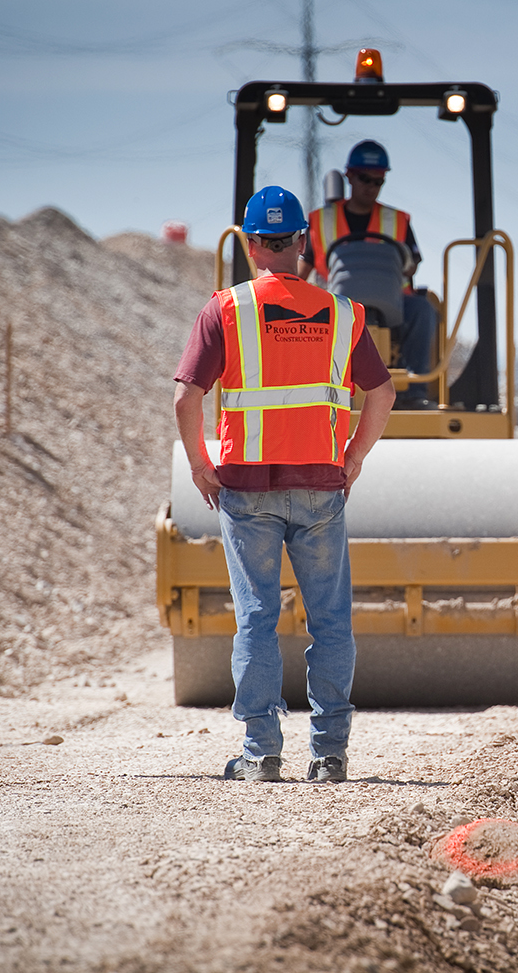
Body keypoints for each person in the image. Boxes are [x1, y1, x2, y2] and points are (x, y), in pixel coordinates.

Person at [174, 185, 395, 783]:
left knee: (257, 618)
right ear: (303, 242)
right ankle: (329, 754)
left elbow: (185, 396)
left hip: (245, 489)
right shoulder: (343, 313)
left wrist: (200, 464)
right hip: (322, 485)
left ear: (250, 245)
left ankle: (261, 752)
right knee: (330, 620)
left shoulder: (225, 309)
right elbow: (383, 393)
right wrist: (353, 459)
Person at [299, 140, 438, 409]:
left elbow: (412, 263)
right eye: (365, 178)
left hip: (394, 304)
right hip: (337, 305)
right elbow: (303, 269)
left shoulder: (398, 220)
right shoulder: (320, 220)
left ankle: (414, 392)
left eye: (378, 181)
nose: (371, 186)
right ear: (349, 176)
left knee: (423, 309)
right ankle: (318, 387)